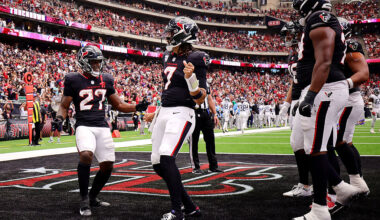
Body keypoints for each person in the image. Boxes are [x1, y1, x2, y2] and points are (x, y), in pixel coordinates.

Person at [56, 45, 149, 216]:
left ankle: (92, 197)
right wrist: (59, 119)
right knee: (86, 155)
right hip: (84, 125)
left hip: (101, 126)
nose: (98, 65)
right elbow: (64, 105)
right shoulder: (73, 79)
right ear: (84, 62)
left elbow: (119, 105)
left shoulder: (106, 79)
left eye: (99, 62)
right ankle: (84, 199)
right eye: (94, 62)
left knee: (107, 165)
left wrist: (137, 106)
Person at [292, 0, 362, 219]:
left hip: (325, 90)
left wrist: (311, 94)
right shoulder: (322, 19)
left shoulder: (320, 18)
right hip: (325, 89)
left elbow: (324, 60)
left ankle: (320, 210)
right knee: (311, 146)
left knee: (316, 149)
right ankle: (341, 188)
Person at [144, 16, 206, 220]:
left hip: (183, 112)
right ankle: (190, 207)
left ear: (183, 33)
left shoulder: (197, 58)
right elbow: (167, 89)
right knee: (156, 163)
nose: (168, 36)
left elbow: (200, 98)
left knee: (166, 157)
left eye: (172, 32)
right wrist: (156, 112)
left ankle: (177, 211)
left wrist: (192, 81)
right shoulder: (167, 57)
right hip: (165, 111)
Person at [328, 17, 370, 210]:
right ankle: (359, 182)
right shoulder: (339, 46)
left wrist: (341, 85)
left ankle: (356, 183)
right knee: (346, 142)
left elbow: (362, 74)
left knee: (338, 143)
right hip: (347, 99)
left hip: (348, 99)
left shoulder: (350, 45)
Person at [280, 21, 313, 198]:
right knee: (298, 143)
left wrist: (307, 98)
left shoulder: (307, 49)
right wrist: (287, 103)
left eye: (288, 34)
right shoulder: (293, 55)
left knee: (312, 145)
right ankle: (306, 184)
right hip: (298, 99)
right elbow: (295, 81)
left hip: (310, 97)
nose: (285, 39)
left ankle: (331, 186)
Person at [189, 83, 222, 174]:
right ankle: (195, 167)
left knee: (210, 140)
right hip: (194, 112)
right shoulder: (190, 80)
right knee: (194, 141)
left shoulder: (205, 83)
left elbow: (209, 98)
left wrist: (215, 114)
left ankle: (213, 166)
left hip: (206, 113)